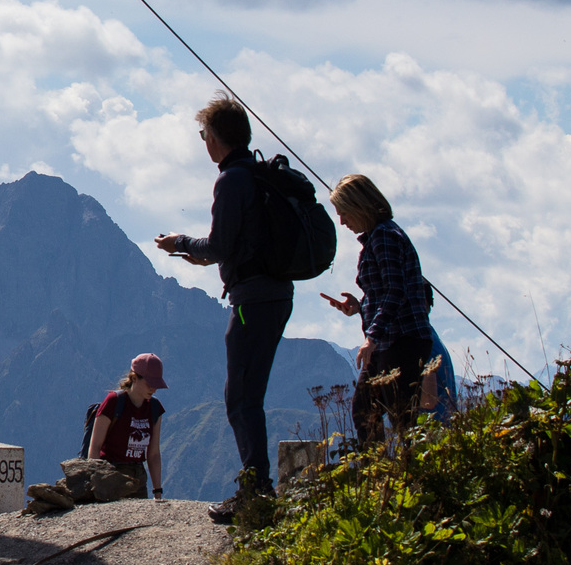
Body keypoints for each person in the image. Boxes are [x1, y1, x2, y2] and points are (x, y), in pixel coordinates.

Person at [154, 96, 293, 525]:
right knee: (248, 394)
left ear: (214, 138)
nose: (203, 143)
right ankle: (258, 486)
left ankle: (256, 492)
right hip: (275, 294)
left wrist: (180, 244)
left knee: (240, 397)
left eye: (203, 136)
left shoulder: (231, 181)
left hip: (252, 300)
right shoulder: (259, 175)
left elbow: (218, 245)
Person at [320, 173, 439, 451]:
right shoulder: (381, 236)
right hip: (391, 339)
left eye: (345, 213)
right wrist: (360, 308)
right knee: (368, 410)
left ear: (361, 207)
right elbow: (389, 291)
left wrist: (371, 337)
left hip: (400, 341)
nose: (343, 221)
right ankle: (383, 477)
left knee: (395, 417)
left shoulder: (385, 237)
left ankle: (397, 477)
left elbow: (395, 291)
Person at [86, 353, 169, 501]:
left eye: (156, 385)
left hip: (138, 478)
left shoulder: (155, 408)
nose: (153, 389)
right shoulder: (113, 402)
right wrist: (97, 484)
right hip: (111, 475)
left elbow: (154, 453)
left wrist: (157, 491)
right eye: (149, 383)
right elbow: (95, 446)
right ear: (134, 378)